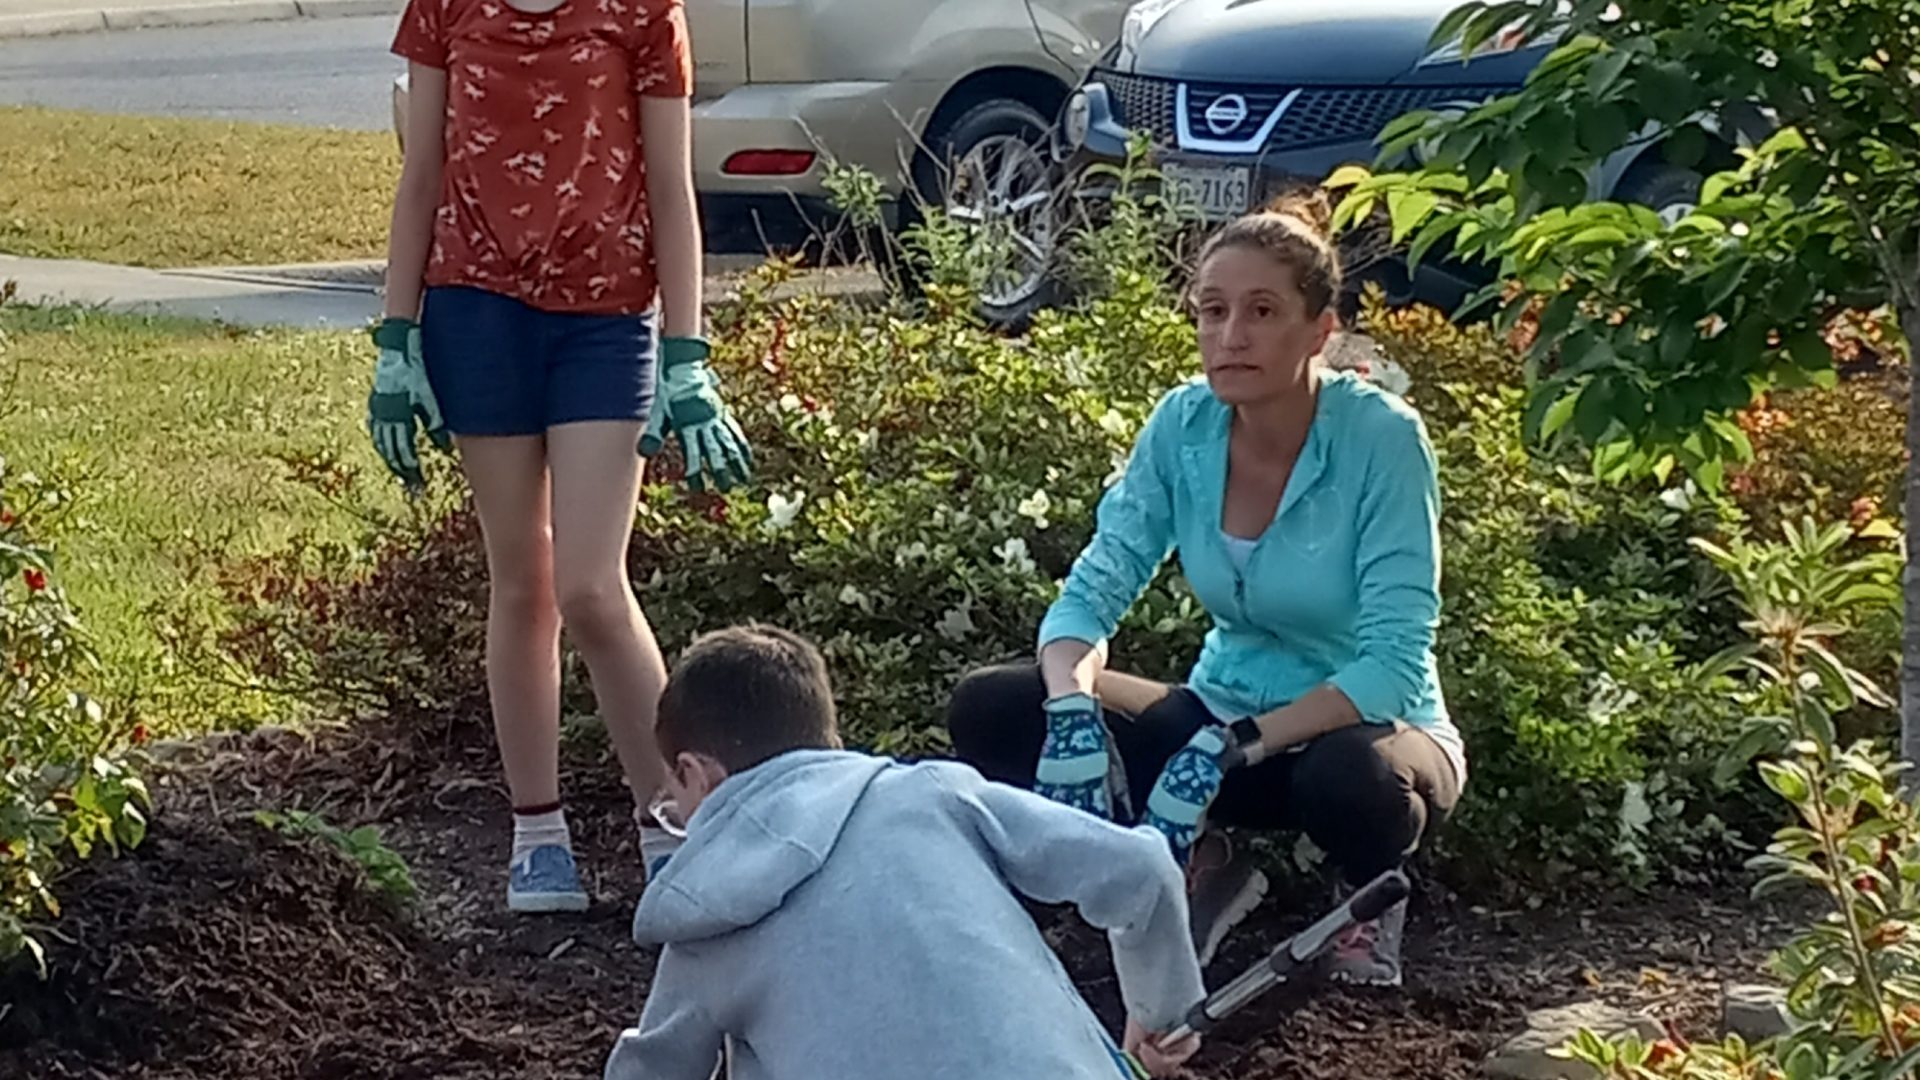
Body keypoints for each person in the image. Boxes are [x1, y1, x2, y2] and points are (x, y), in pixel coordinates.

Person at [946, 192, 1465, 987]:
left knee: (1353, 779)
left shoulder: (1383, 438)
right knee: (995, 703)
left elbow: (1392, 666)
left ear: (1321, 330)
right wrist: (1070, 708)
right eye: (1212, 311)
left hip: (1364, 735)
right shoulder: (1183, 424)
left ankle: (1364, 900)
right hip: (1218, 724)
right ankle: (1204, 865)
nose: (1231, 336)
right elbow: (1092, 593)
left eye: (1262, 311)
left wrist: (1238, 744)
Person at [374, 0, 753, 913]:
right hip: (475, 314)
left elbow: (670, 187)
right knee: (523, 581)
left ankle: (673, 825)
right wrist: (394, 337)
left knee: (591, 586)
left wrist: (687, 351)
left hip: (604, 322)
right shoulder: (446, 8)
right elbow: (421, 174)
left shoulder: (643, 13)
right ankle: (538, 837)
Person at [605, 625, 1209, 1080]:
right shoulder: (932, 795)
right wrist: (1162, 1010)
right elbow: (1144, 867)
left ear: (697, 774)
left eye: (675, 802)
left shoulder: (707, 912)